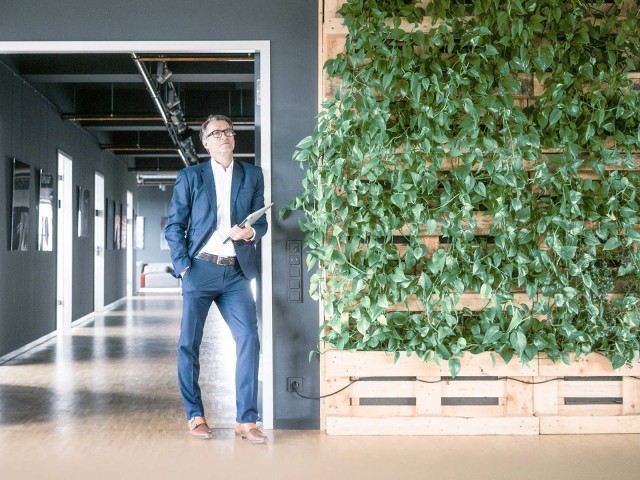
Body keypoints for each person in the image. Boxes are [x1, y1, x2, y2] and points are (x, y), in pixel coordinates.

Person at [165, 114, 268, 443]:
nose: (224, 136)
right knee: (188, 345)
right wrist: (183, 267)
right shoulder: (190, 177)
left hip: (236, 272)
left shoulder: (252, 175)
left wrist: (251, 230)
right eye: (216, 133)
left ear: (234, 138)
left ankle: (246, 420)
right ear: (205, 142)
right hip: (199, 269)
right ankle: (195, 415)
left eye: (228, 131)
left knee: (249, 339)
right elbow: (174, 227)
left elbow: (261, 222)